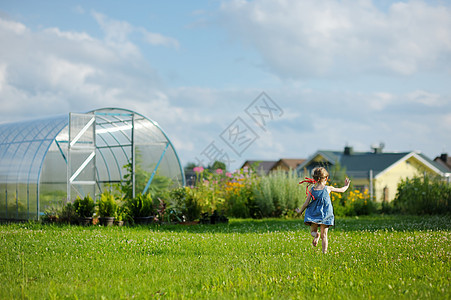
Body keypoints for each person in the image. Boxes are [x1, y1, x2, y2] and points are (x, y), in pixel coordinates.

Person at [296, 167, 350, 253]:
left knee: (313, 231)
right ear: (326, 178)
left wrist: (300, 211)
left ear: (314, 178)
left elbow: (306, 203)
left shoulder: (312, 190)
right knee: (324, 235)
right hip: (325, 214)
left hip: (314, 214)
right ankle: (324, 253)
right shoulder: (328, 188)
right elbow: (342, 190)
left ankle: (316, 235)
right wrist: (346, 186)